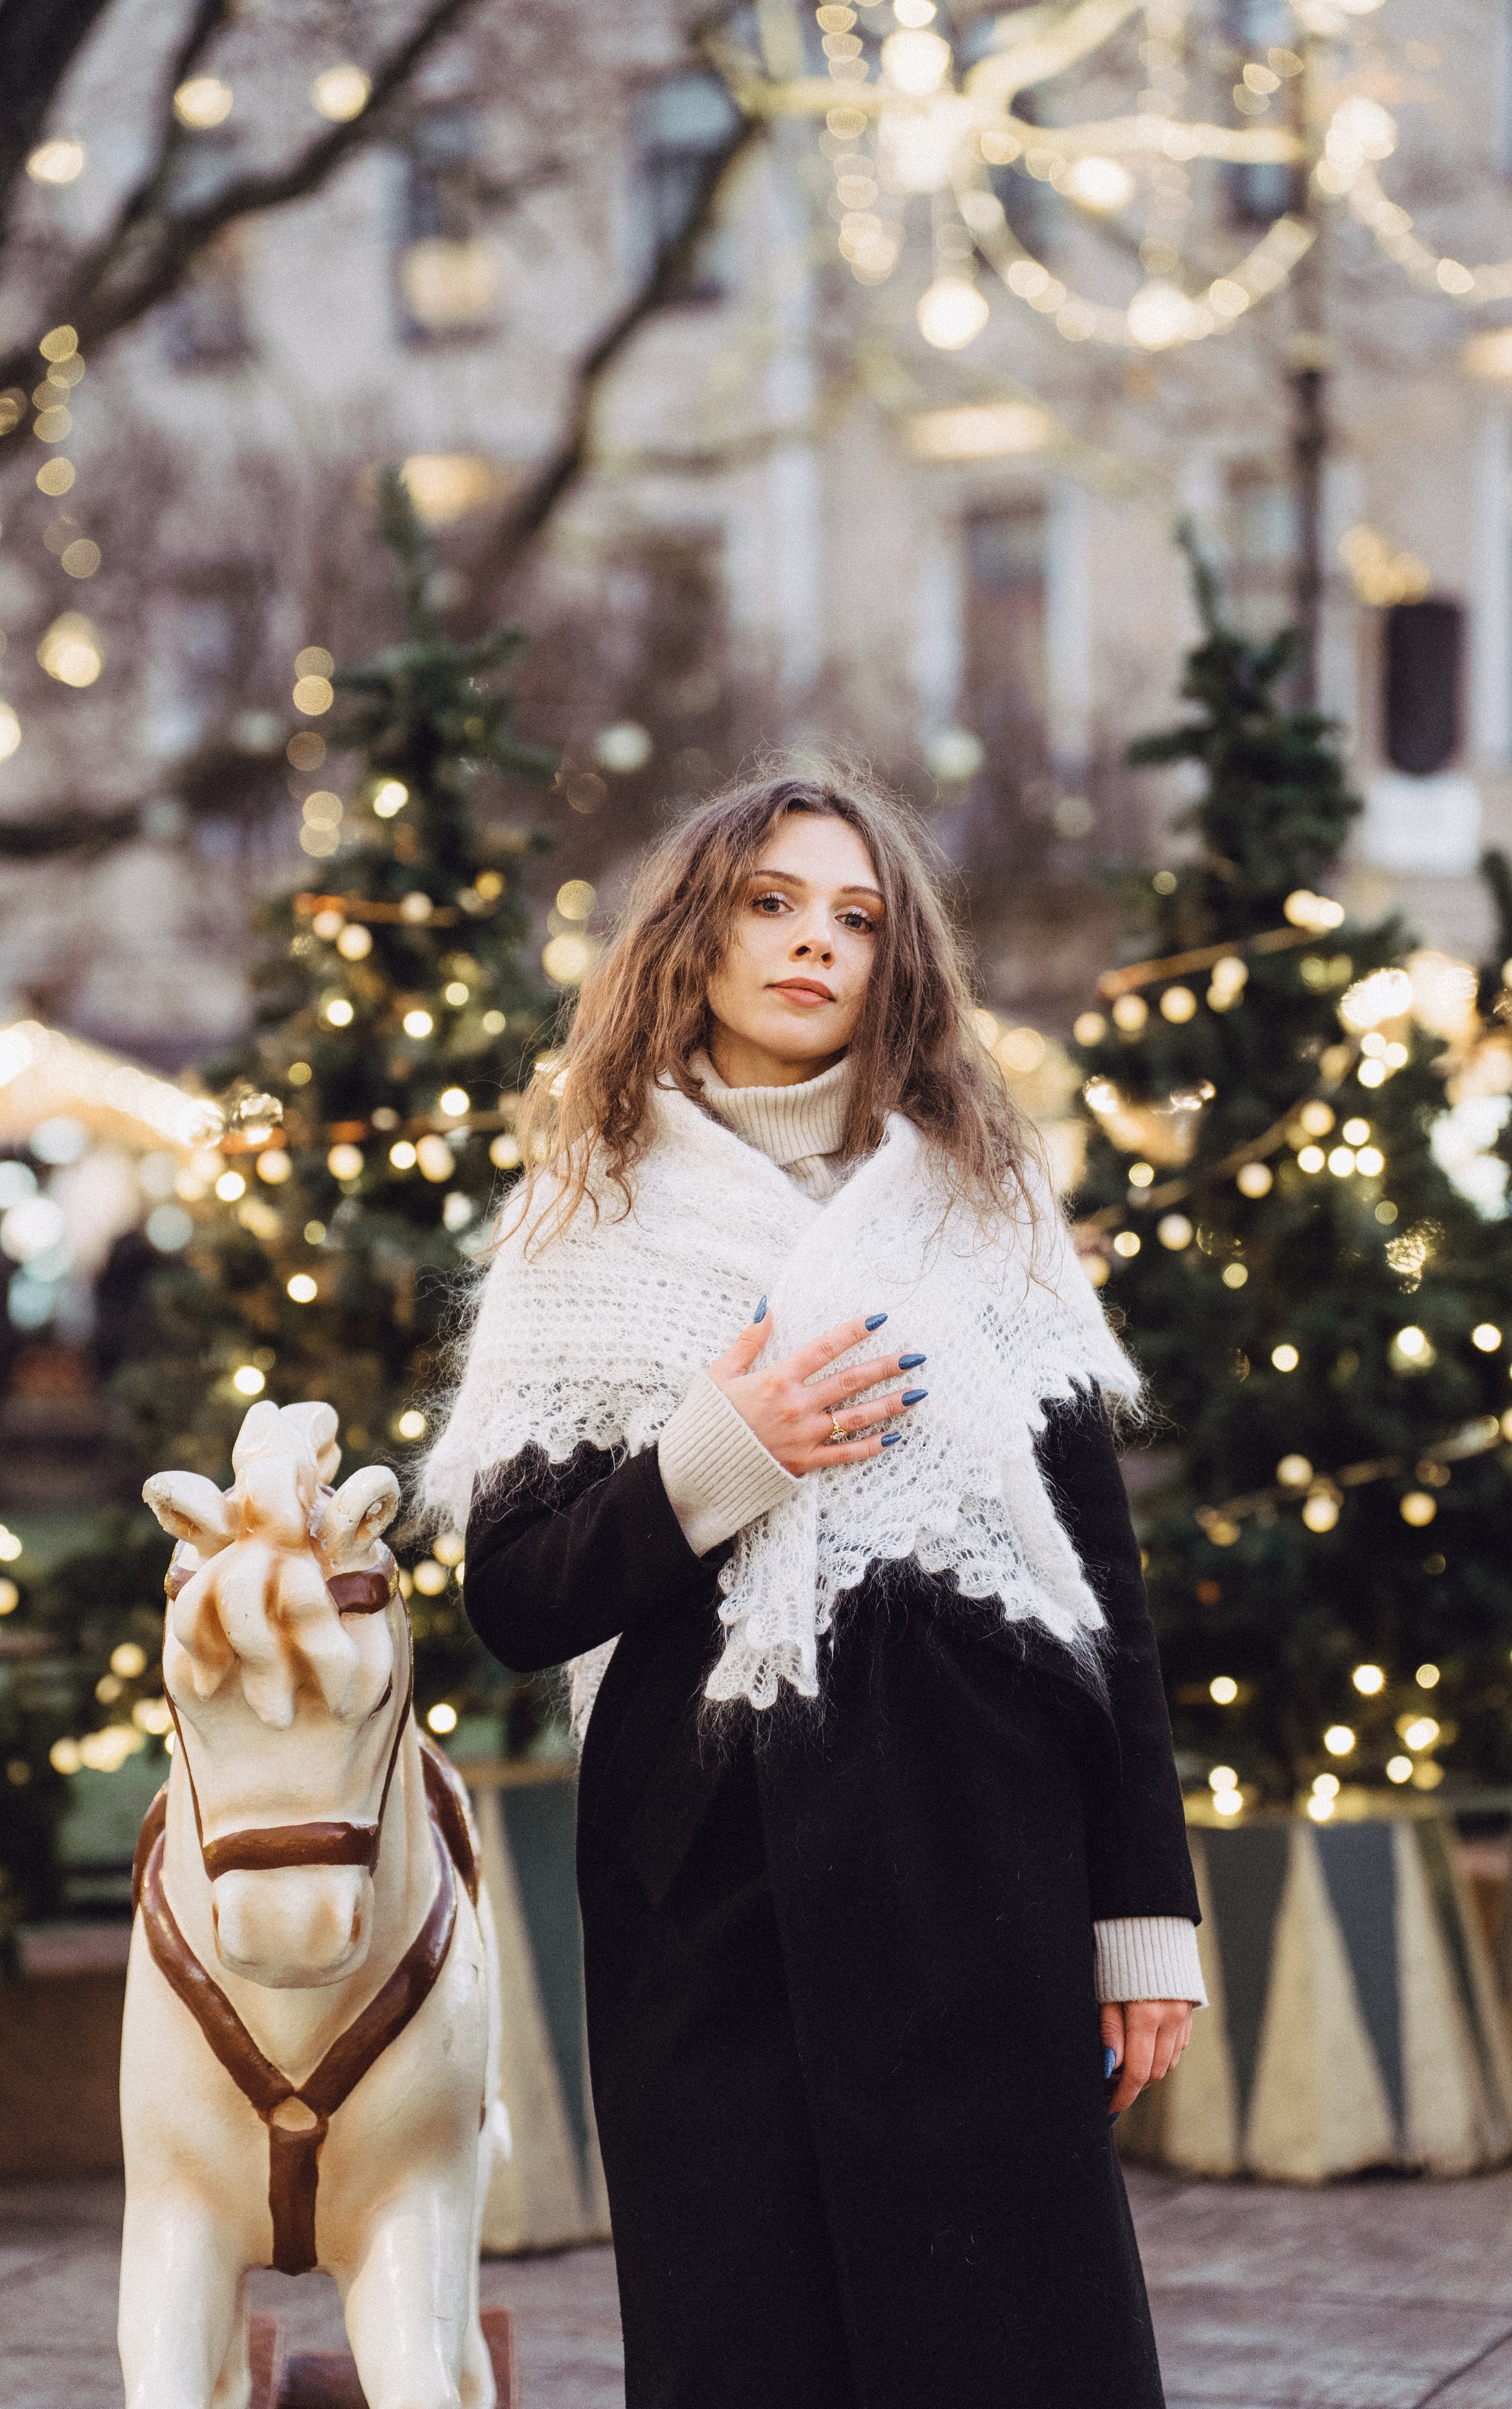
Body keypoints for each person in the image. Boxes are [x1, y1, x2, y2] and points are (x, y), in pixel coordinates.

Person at [425, 769, 1205, 2409]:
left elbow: (1100, 1596)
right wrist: (719, 1455)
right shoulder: (587, 1227)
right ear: (693, 937)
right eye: (773, 904)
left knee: (1011, 2351)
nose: (814, 945)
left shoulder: (986, 1211)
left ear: (897, 963)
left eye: (856, 918)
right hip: (711, 1892)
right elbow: (516, 1597)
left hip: (980, 1868)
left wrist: (1145, 1918)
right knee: (747, 2349)